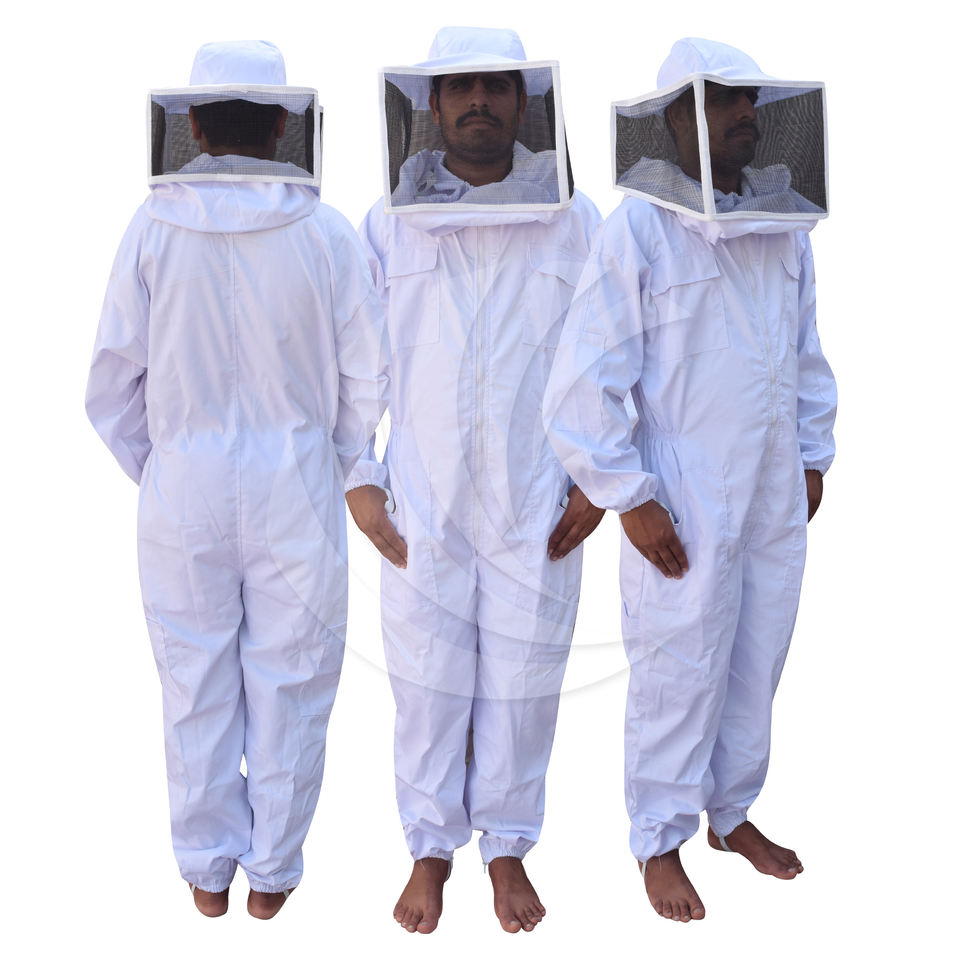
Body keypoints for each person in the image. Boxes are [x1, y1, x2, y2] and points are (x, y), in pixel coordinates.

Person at [86, 40, 389, 920]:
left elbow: (110, 384)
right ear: (285, 123)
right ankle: (273, 871)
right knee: (294, 680)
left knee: (194, 680)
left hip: (183, 489)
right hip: (298, 487)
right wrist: (325, 462)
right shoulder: (327, 234)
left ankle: (207, 871)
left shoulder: (150, 228)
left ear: (191, 122)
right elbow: (370, 378)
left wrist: (166, 469)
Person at [543, 37, 837, 922]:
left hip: (773, 487)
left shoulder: (782, 225)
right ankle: (660, 836)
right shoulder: (638, 226)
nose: (742, 114)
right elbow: (585, 376)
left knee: (758, 654)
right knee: (680, 664)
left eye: (747, 100)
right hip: (683, 491)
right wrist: (626, 496)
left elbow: (805, 351)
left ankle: (731, 812)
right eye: (719, 100)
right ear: (674, 119)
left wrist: (812, 454)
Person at [346, 26, 603, 936]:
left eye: (496, 86)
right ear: (433, 105)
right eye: (461, 88)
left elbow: (614, 352)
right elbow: (355, 359)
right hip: (423, 492)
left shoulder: (576, 218)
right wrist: (357, 474)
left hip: (540, 491)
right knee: (424, 679)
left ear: (525, 102)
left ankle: (507, 847)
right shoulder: (386, 222)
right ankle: (428, 849)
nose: (480, 101)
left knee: (525, 679)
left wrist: (600, 477)